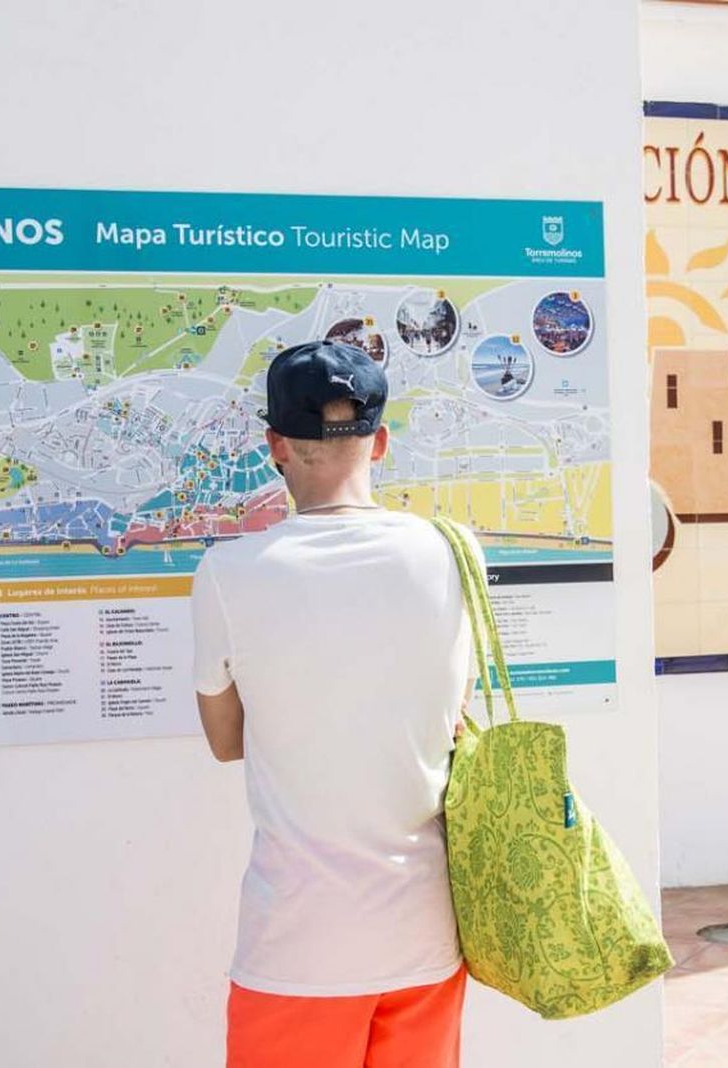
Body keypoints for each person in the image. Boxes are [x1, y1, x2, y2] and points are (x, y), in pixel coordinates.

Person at [190, 340, 475, 1068]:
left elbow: (227, 742)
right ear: (380, 441)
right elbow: (451, 716)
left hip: (296, 946)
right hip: (425, 939)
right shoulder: (451, 552)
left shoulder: (228, 572)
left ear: (274, 445)